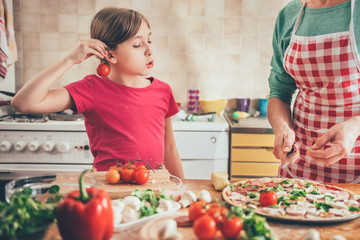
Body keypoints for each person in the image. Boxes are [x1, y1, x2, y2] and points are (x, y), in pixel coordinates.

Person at [11, 8, 184, 178]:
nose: (149, 50)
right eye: (138, 44)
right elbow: (23, 103)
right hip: (109, 191)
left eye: (149, 40)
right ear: (109, 54)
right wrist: (70, 59)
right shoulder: (91, 89)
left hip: (154, 188)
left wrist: (182, 188)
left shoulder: (163, 90)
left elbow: (169, 148)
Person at [267, 0, 360, 183]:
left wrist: (354, 126)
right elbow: (279, 91)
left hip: (355, 171)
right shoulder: (289, 14)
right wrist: (281, 128)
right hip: (298, 168)